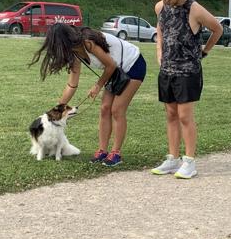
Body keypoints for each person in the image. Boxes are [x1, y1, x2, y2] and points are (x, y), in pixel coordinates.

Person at [30, 23, 146, 166]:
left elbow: (110, 65)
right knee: (104, 108)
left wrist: (98, 85)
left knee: (117, 110)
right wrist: (56, 110)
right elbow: (72, 85)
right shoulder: (74, 52)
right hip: (116, 71)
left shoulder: (88, 42)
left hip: (133, 64)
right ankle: (102, 151)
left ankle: (116, 153)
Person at [147, 0, 222, 179]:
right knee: (170, 114)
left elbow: (217, 29)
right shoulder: (161, 7)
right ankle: (173, 158)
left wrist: (205, 51)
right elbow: (160, 29)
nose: (167, 0)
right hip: (167, 70)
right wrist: (159, 50)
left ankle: (189, 162)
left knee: (184, 116)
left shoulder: (194, 9)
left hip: (188, 71)